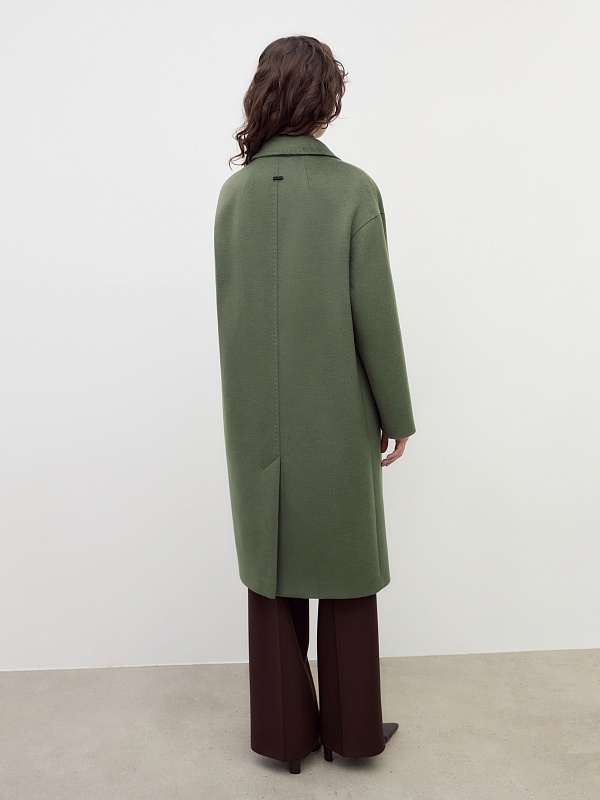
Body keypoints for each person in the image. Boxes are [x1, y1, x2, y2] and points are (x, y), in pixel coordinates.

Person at [213, 35, 416, 774]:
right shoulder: (352, 190)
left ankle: (283, 735)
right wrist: (396, 413)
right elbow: (374, 315)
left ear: (264, 96)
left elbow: (232, 311)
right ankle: (353, 732)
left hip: (254, 419)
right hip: (335, 413)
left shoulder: (234, 196)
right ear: (326, 101)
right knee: (347, 566)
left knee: (272, 570)